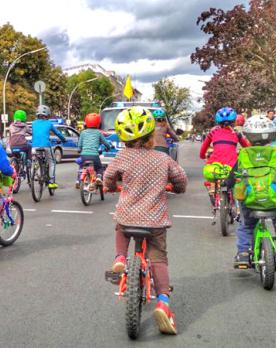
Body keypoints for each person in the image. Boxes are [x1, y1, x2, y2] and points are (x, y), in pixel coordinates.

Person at [105, 106, 187, 336]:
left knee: (120, 227)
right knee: (159, 258)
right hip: (155, 221)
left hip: (128, 216)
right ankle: (162, 302)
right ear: (152, 136)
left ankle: (120, 257)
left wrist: (111, 187)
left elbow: (109, 177)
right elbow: (180, 179)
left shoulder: (122, 156)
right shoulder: (163, 158)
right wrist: (177, 188)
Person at [234, 116, 276, 266]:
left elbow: (232, 176)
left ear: (248, 136)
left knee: (246, 226)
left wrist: (228, 184)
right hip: (273, 201)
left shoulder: (244, 154)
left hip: (250, 199)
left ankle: (243, 254)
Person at [199, 107, 250, 205]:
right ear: (233, 121)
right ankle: (238, 208)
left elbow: (202, 151)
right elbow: (247, 148)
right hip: (232, 165)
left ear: (218, 122)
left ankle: (212, 191)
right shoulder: (237, 134)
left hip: (215, 165)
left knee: (211, 176)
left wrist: (202, 156)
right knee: (240, 181)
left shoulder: (212, 133)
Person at [31, 104, 66, 189]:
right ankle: (51, 182)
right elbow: (57, 133)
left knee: (34, 159)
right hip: (46, 146)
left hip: (34, 146)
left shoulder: (33, 123)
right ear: (47, 114)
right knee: (52, 162)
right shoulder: (49, 123)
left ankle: (34, 172)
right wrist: (63, 139)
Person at [75, 113, 113, 188]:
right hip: (94, 156)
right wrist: (109, 147)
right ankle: (98, 177)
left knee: (82, 166)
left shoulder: (83, 133)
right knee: (99, 168)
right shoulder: (98, 133)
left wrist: (79, 150)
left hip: (84, 156)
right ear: (98, 123)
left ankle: (78, 180)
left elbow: (79, 147)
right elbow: (106, 143)